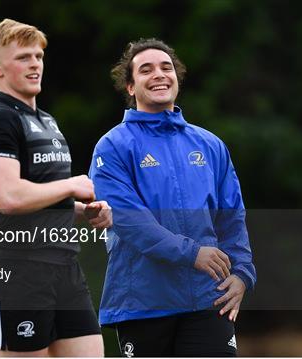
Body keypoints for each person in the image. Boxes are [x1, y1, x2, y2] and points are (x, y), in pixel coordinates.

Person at [89, 38, 256, 357]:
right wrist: (192, 253)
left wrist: (242, 273)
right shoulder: (112, 147)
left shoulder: (210, 145)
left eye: (167, 68)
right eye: (146, 70)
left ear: (177, 79)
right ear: (130, 87)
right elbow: (129, 220)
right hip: (144, 303)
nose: (159, 75)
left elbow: (231, 216)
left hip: (209, 298)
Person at [0, 19, 111, 357]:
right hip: (20, 271)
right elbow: (8, 198)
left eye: (38, 56)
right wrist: (71, 186)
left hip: (65, 267)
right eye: (23, 57)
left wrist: (83, 211)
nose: (35, 64)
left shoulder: (46, 120)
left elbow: (42, 197)